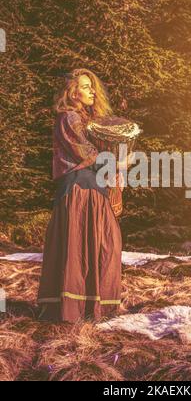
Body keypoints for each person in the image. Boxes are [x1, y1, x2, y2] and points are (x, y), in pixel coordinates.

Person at [36, 68, 124, 323]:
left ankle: (97, 308)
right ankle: (72, 310)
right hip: (79, 190)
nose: (92, 91)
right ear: (72, 91)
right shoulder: (69, 118)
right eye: (85, 86)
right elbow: (85, 153)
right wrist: (115, 164)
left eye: (92, 86)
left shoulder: (90, 121)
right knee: (80, 248)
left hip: (94, 189)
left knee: (106, 245)